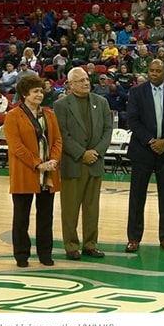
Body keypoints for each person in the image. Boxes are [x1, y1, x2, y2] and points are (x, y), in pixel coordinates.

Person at [125, 59, 164, 253]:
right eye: (151, 70)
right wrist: (151, 141)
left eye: (158, 71)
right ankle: (133, 238)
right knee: (137, 196)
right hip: (143, 150)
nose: (154, 74)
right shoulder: (136, 92)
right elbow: (133, 121)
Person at [53, 66, 112, 260]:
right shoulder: (61, 105)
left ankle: (90, 244)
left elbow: (107, 131)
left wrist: (96, 152)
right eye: (80, 81)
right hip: (73, 163)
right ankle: (71, 246)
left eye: (87, 79)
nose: (86, 83)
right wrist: (82, 153)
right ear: (70, 85)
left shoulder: (101, 102)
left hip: (95, 162)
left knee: (92, 208)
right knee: (70, 209)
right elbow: (63, 134)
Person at [3, 75, 62, 267]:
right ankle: (21, 255)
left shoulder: (49, 115)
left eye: (41, 90)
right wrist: (37, 163)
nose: (40, 94)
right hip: (26, 171)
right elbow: (16, 146)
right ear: (24, 94)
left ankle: (45, 253)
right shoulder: (13, 116)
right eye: (35, 91)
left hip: (48, 173)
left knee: (46, 216)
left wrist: (53, 160)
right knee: (21, 217)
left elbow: (58, 140)